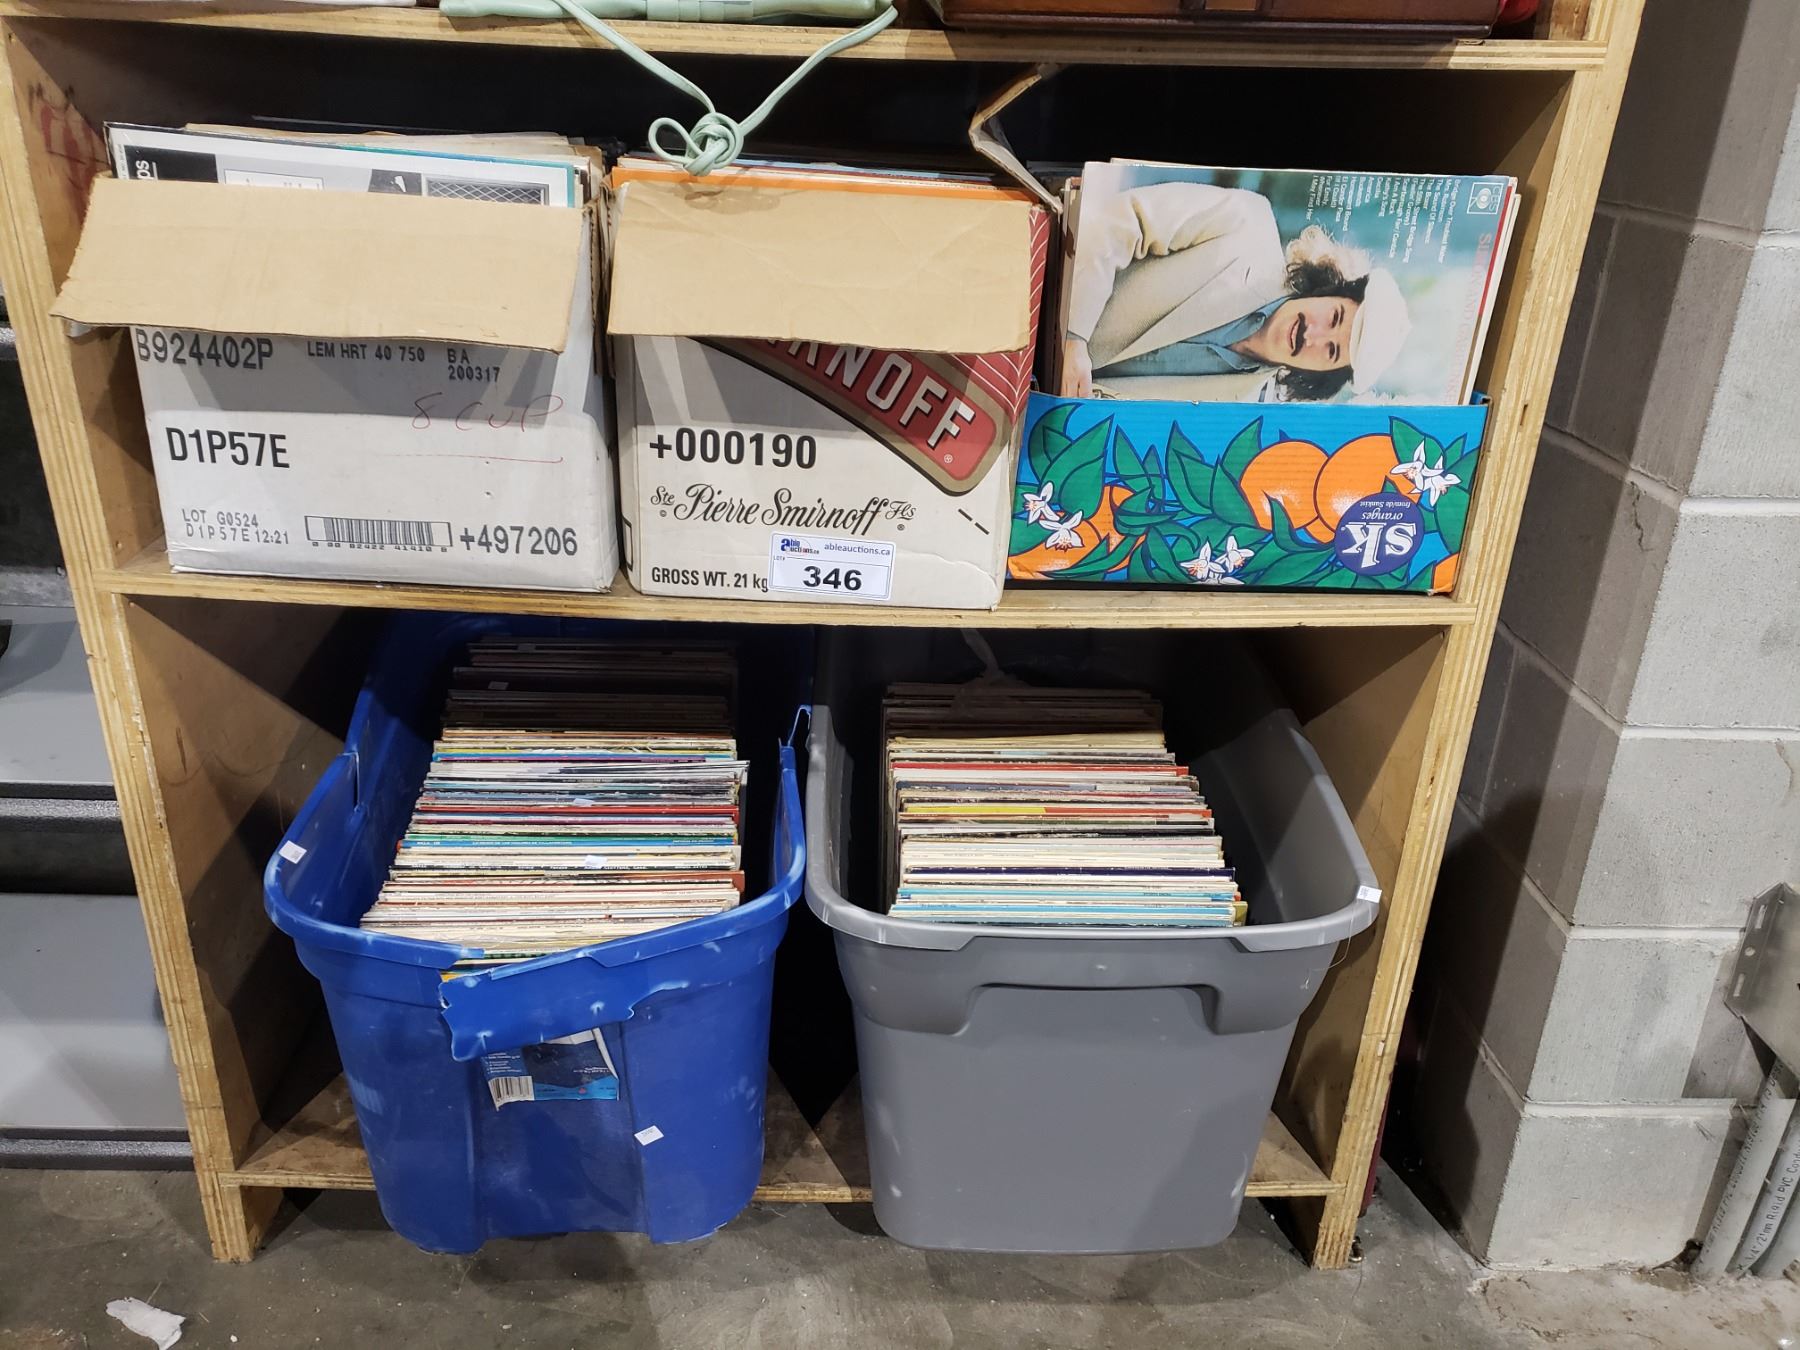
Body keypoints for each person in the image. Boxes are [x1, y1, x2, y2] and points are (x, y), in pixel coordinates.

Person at [1062, 181, 1411, 403]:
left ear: (1320, 376)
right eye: (1335, 316)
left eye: (1332, 352)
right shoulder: (1246, 221)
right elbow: (1121, 222)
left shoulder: (1240, 414)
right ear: (1328, 288)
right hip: (1046, 292)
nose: (1314, 336)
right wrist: (1073, 338)